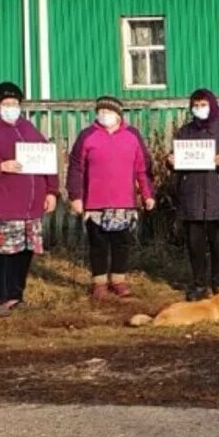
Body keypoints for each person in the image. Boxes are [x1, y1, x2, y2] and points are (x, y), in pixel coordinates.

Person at [0, 81, 60, 316]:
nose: (11, 107)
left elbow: (47, 162)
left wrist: (51, 191)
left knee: (23, 252)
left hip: (28, 207)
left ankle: (16, 295)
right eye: (6, 103)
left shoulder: (28, 129)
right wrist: (0, 166)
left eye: (15, 103)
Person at [66, 96, 155, 299]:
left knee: (121, 243)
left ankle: (118, 280)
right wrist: (76, 196)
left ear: (118, 115)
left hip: (125, 202)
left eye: (109, 112)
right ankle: (99, 283)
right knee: (98, 244)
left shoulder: (132, 136)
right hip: (95, 203)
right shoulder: (87, 136)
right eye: (101, 111)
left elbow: (143, 169)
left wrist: (147, 194)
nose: (104, 115)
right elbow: (76, 168)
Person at [173, 88, 219, 300]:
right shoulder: (184, 132)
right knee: (195, 245)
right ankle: (198, 284)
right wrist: (171, 161)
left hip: (217, 196)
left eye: (203, 105)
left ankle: (218, 281)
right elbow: (177, 161)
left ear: (212, 106)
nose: (199, 109)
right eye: (195, 105)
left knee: (218, 244)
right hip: (192, 197)